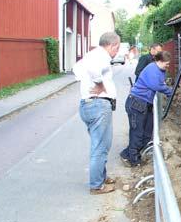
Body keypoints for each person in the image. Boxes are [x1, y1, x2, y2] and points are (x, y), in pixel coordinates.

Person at [73, 32, 120, 195]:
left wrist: (87, 83)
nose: (117, 52)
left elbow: (76, 69)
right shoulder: (101, 56)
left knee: (101, 145)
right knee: (100, 147)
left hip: (88, 104)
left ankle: (100, 176)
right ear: (112, 45)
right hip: (98, 105)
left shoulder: (91, 55)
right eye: (117, 48)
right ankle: (96, 185)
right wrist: (99, 84)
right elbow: (94, 71)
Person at [120, 51, 173, 167]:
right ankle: (133, 160)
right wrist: (170, 92)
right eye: (166, 64)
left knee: (147, 132)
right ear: (159, 61)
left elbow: (161, 82)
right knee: (137, 133)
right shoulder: (152, 69)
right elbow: (156, 85)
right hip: (136, 103)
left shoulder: (160, 70)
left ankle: (126, 154)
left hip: (145, 103)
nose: (168, 66)